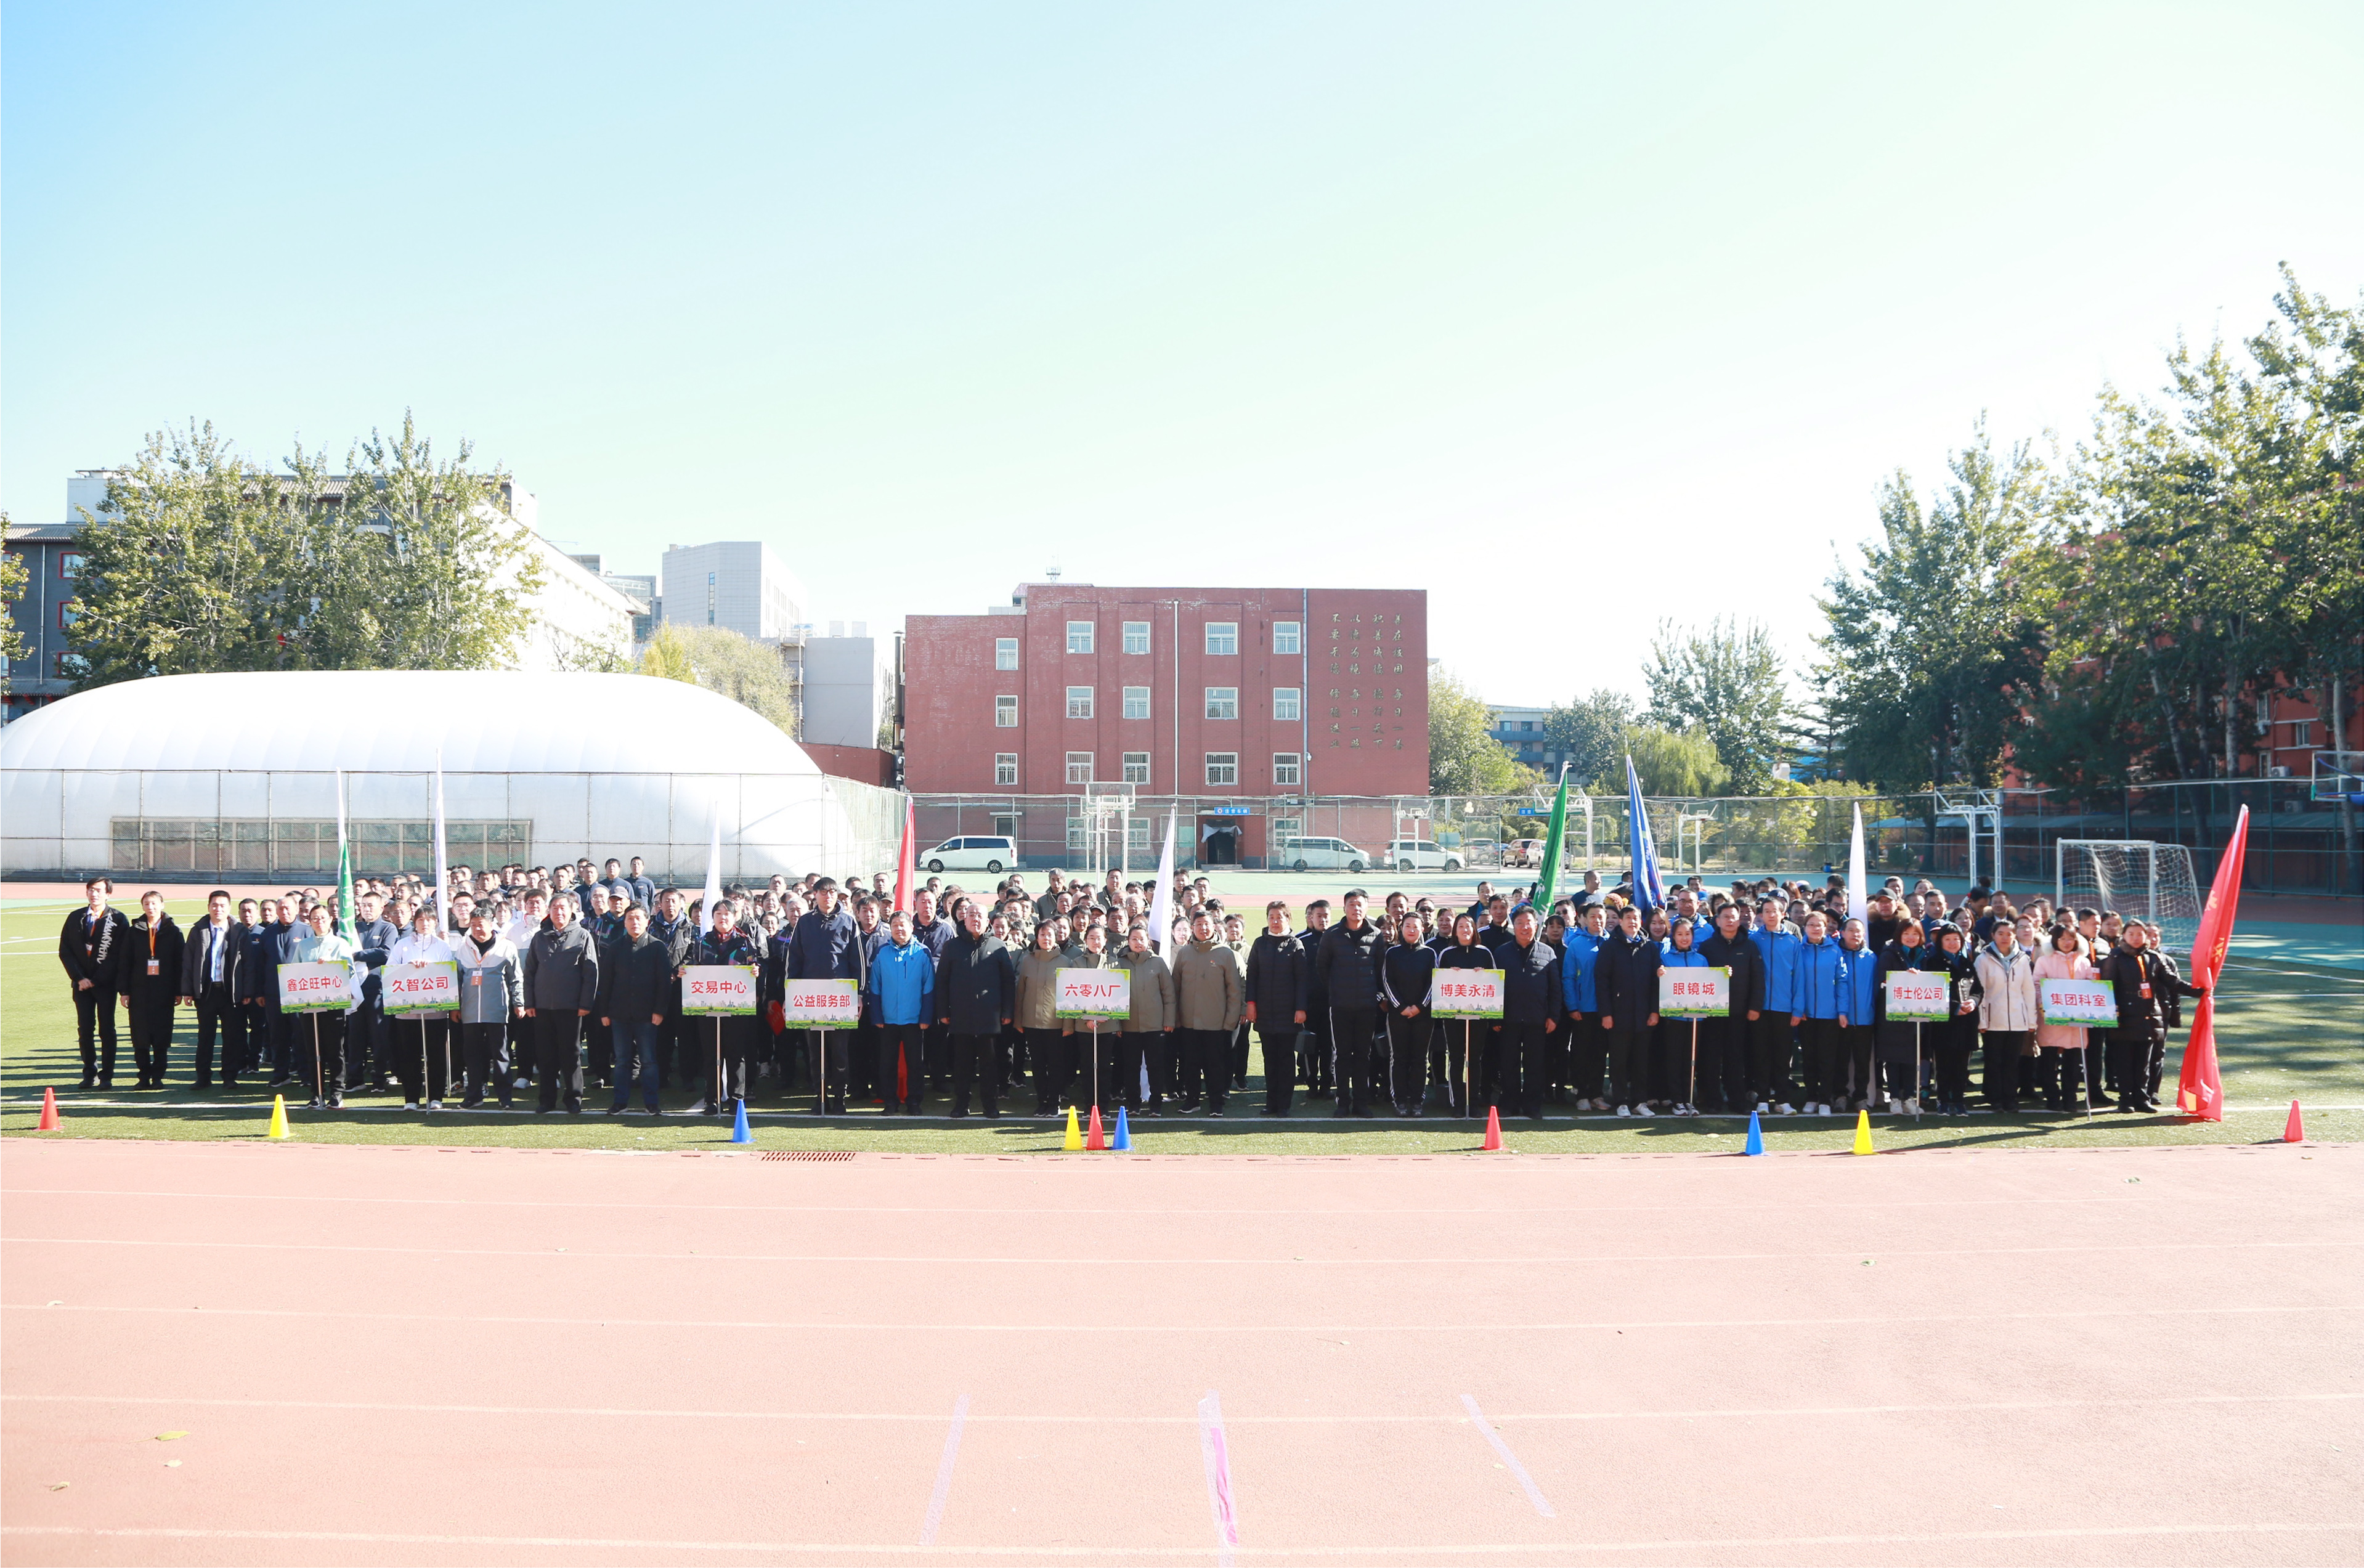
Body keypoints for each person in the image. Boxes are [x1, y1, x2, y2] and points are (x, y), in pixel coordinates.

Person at [2095, 921, 2204, 1113]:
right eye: (2131, 934)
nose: (2136, 938)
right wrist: (2112, 1014)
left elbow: (2172, 981)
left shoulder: (2153, 957)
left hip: (2149, 1016)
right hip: (2124, 1017)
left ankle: (2142, 1099)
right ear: (2124, 935)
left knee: (2143, 1062)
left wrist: (2198, 991)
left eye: (2140, 934)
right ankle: (2126, 1100)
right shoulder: (2116, 957)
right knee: (2124, 1062)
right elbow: (2107, 987)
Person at [782, 878, 859, 1112]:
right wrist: (789, 995)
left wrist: (859, 995)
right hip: (810, 998)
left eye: (832, 892)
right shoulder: (805, 923)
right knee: (816, 1051)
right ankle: (820, 1095)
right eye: (823, 892)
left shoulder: (848, 922)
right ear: (814, 895)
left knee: (840, 1051)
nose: (828, 896)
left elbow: (858, 962)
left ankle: (839, 1097)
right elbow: (794, 961)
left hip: (841, 998)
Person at [521, 893, 600, 1116]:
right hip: (543, 1007)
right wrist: (529, 1002)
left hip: (571, 1007)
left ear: (572, 910)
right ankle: (546, 1100)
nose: (559, 912)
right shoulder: (540, 937)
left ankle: (574, 1099)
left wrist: (586, 1003)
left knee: (571, 1054)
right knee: (545, 1055)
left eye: (563, 908)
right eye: (555, 908)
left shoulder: (582, 935)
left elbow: (591, 973)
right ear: (549, 911)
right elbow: (530, 972)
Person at [934, 902, 1014, 1119]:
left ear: (987, 921)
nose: (975, 919)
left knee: (990, 1065)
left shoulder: (998, 946)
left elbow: (1008, 982)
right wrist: (943, 1011)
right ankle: (961, 1104)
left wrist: (1007, 1012)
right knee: (962, 1065)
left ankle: (990, 1105)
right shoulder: (952, 946)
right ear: (964, 919)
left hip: (990, 1016)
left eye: (979, 915)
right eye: (971, 915)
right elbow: (942, 981)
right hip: (961, 1016)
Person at [686, 900, 762, 1115]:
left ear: (735, 916)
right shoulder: (702, 942)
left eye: (727, 913)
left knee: (736, 1054)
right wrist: (685, 972)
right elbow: (692, 966)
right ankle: (712, 1099)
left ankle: (737, 1099)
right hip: (707, 1005)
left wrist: (756, 971)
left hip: (736, 1006)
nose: (723, 917)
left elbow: (756, 964)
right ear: (713, 917)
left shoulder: (744, 942)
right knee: (711, 1054)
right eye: (718, 913)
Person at [1315, 890, 1386, 1118]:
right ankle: (1343, 1102)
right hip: (1340, 1006)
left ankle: (1361, 1102)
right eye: (1352, 904)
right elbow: (1322, 967)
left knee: (1363, 1055)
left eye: (1360, 904)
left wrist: (1376, 995)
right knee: (1343, 1055)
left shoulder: (1376, 935)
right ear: (1344, 907)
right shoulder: (1332, 935)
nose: (1356, 909)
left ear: (1367, 908)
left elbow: (1381, 970)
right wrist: (1336, 990)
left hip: (1367, 1006)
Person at [597, 903, 672, 1115]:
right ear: (625, 922)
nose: (634, 922)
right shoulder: (615, 947)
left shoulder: (657, 947)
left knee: (648, 1061)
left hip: (648, 1015)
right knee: (622, 1061)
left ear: (647, 921)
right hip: (619, 1014)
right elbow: (607, 981)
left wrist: (660, 1011)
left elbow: (664, 983)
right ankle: (620, 1102)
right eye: (630, 918)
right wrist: (604, 1012)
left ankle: (651, 1103)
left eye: (639, 918)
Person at [286, 903, 361, 1110]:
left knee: (335, 1049)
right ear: (309, 922)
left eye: (323, 918)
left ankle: (337, 1092)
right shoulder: (304, 945)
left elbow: (350, 971)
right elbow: (294, 972)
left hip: (334, 1004)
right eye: (315, 918)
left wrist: (331, 966)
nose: (319, 922)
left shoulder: (340, 944)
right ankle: (316, 1092)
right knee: (313, 1049)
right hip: (309, 1004)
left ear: (331, 920)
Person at [384, 907, 459, 1110]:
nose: (425, 924)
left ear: (435, 923)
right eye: (420, 920)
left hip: (436, 1012)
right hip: (407, 1011)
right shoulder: (402, 945)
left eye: (429, 920)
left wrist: (430, 967)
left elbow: (448, 972)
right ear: (414, 922)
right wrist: (409, 966)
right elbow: (390, 970)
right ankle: (411, 1098)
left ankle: (435, 1097)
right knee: (409, 1055)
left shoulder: (442, 946)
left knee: (436, 1055)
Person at [59, 877, 130, 1091]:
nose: (94, 894)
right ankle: (89, 1073)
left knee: (107, 1029)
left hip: (105, 985)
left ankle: (106, 1075)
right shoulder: (76, 917)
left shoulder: (118, 919)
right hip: (81, 985)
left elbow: (119, 955)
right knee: (85, 1029)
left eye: (98, 890)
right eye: (91, 890)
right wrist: (79, 978)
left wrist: (97, 980)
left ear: (108, 894)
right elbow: (65, 951)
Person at [1697, 903, 1767, 1116]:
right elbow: (1699, 977)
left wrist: (1755, 1007)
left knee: (1736, 1058)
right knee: (1711, 1058)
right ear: (1717, 921)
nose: (1730, 921)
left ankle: (1737, 1100)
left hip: (1739, 1012)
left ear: (1739, 920)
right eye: (1725, 917)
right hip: (1712, 1012)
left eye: (1733, 917)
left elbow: (1758, 979)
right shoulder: (1707, 947)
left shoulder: (1750, 946)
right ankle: (1712, 1100)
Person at [1172, 910, 1245, 1116]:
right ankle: (1192, 1101)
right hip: (1189, 1023)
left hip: (1216, 1023)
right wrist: (1176, 1018)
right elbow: (1175, 987)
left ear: (1214, 927)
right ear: (1193, 928)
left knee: (1215, 1066)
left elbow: (1234, 990)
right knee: (1190, 1064)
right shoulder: (1185, 953)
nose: (1203, 928)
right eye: (1199, 925)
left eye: (1207, 924)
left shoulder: (1225, 954)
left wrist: (1230, 1020)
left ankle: (1216, 1103)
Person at [866, 909, 936, 1115]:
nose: (899, 929)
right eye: (895, 925)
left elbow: (929, 986)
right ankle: (890, 1101)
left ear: (911, 927)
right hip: (888, 1019)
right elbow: (875, 986)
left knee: (915, 1064)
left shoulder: (922, 952)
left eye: (902, 925)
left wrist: (926, 1016)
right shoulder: (882, 953)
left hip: (914, 1019)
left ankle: (914, 1102)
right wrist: (877, 1016)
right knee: (887, 1063)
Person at [1243, 900, 1308, 1118]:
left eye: (1280, 917)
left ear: (1288, 919)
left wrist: (1301, 1008)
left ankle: (1284, 1105)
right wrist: (1251, 1004)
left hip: (1288, 1014)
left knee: (1286, 1060)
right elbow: (1252, 976)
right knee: (1269, 1060)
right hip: (1264, 1014)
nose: (1275, 921)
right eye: (1271, 917)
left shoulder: (1296, 945)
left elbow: (1302, 980)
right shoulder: (1260, 944)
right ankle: (1271, 1103)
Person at [1495, 907, 1561, 1121]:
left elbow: (1555, 989)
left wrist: (1553, 1016)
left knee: (1535, 1065)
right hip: (1509, 1019)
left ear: (1536, 925)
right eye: (1520, 923)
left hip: (1537, 1019)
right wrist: (1495, 1017)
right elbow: (1494, 987)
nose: (1525, 927)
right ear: (1513, 926)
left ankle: (1533, 1106)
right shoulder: (1501, 952)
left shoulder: (1547, 952)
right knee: (1508, 1064)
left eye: (1529, 923)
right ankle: (1509, 1104)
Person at [115, 890, 185, 1092]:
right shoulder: (134, 932)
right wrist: (124, 991)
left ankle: (158, 1077)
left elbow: (180, 963)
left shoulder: (173, 932)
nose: (151, 907)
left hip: (164, 992)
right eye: (147, 904)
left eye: (154, 903)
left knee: (162, 1036)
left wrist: (179, 990)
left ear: (162, 905)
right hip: (139, 992)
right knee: (141, 1037)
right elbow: (125, 962)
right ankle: (144, 1076)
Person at [177, 889, 246, 1091]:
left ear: (229, 908)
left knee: (231, 1036)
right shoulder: (198, 930)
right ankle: (203, 1077)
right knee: (205, 1036)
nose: (218, 909)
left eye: (223, 905)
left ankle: (229, 1076)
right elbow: (188, 962)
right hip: (206, 991)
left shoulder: (239, 931)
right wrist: (188, 990)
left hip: (230, 992)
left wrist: (247, 992)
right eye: (214, 905)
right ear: (208, 907)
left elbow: (248, 963)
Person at [1595, 903, 1659, 1116]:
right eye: (1628, 918)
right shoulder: (1610, 947)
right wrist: (1606, 1013)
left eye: (1636, 918)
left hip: (1644, 1015)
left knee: (1641, 1061)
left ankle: (1640, 1102)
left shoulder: (1649, 948)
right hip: (1618, 1015)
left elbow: (1656, 983)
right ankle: (1621, 1101)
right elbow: (1602, 981)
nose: (1633, 922)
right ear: (1620, 921)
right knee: (1619, 1061)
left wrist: (1654, 1011)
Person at [1972, 919, 2037, 1115]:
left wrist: (2031, 1020)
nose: (2005, 938)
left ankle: (2010, 1098)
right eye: (2001, 933)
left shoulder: (2023, 960)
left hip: (2017, 1020)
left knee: (2012, 1062)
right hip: (1993, 1020)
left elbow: (2028, 991)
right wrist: (1982, 1020)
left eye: (2009, 934)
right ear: (1993, 935)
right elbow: (1980, 992)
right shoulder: (1983, 959)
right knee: (1994, 1061)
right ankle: (1994, 1098)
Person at [1870, 919, 1933, 1113]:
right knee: (1893, 1059)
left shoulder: (1926, 955)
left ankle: (1909, 1098)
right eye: (1906, 934)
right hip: (1893, 1017)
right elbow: (1883, 980)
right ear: (1899, 935)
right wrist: (1906, 977)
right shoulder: (1889, 954)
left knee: (1912, 1059)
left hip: (1917, 1017)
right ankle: (1895, 1098)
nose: (1911, 938)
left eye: (1915, 934)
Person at [1748, 898, 1804, 1114]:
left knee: (1782, 1056)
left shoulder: (1792, 942)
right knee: (1760, 1055)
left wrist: (1797, 1009)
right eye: (1767, 911)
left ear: (1783, 914)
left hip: (1784, 1008)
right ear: (1761, 915)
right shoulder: (1754, 940)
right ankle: (1762, 1099)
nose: (1771, 915)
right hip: (1759, 1008)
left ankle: (1782, 1100)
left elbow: (1799, 978)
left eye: (1775, 911)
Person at [2032, 925, 2096, 1113]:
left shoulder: (2084, 962)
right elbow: (2037, 985)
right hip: (2051, 1018)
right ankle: (2052, 1097)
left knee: (2073, 1062)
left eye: (2070, 938)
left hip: (2077, 1020)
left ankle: (2070, 1098)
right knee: (2048, 1060)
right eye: (2062, 939)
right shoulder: (2044, 961)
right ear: (2055, 941)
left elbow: (2091, 987)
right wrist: (2043, 1004)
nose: (2067, 942)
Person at [1115, 922, 1176, 1116]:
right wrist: (1117, 1023)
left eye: (1142, 939)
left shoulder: (1158, 963)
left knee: (1155, 1066)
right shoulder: (1120, 963)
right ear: (1128, 941)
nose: (1138, 942)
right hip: (1129, 1026)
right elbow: (1114, 997)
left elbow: (1169, 994)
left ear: (1148, 941)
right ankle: (1134, 1103)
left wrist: (1169, 1020)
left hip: (1155, 1025)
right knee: (1131, 1067)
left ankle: (1155, 1103)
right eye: (1134, 939)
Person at [1380, 912, 1437, 1116]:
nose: (1412, 930)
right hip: (1398, 1015)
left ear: (1422, 929)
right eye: (1407, 926)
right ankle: (1400, 1100)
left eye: (1415, 926)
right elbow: (1387, 981)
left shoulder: (1429, 954)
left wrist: (1420, 1006)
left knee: (1420, 1058)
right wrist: (1402, 1007)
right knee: (1399, 1058)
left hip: (1424, 1015)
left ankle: (1417, 1100)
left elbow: (1434, 982)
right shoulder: (1392, 953)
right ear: (1401, 928)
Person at [1013, 922, 1070, 1116]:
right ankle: (1042, 1100)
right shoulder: (1027, 961)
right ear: (1036, 937)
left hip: (1056, 1023)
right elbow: (1021, 992)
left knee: (1056, 1064)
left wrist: (1068, 1024)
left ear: (1056, 937)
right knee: (1037, 1065)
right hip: (1032, 1022)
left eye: (1050, 934)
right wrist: (1019, 1020)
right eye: (1042, 935)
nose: (1046, 938)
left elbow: (1069, 997)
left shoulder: (1065, 962)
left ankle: (1054, 1101)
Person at [1927, 922, 1983, 1115]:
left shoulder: (1967, 962)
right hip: (1944, 1023)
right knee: (1943, 1064)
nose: (1952, 943)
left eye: (1956, 939)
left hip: (1967, 1022)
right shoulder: (1933, 962)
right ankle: (1943, 1100)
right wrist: (1954, 1007)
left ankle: (1959, 1100)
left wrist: (1973, 1002)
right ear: (1941, 941)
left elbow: (1978, 990)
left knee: (1962, 1065)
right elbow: (1932, 992)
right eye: (1948, 939)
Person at [1657, 914, 1710, 1116]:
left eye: (1688, 934)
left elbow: (1709, 986)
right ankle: (1676, 1100)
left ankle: (1689, 1099)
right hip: (1674, 1018)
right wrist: (1659, 975)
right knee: (1674, 1059)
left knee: (1691, 1059)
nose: (1684, 938)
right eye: (1680, 934)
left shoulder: (1701, 960)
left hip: (1696, 1018)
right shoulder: (1666, 959)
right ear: (1673, 937)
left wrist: (1724, 975)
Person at [1793, 910, 1845, 1116]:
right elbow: (1796, 981)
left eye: (1819, 925)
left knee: (1827, 1059)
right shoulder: (1799, 949)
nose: (1815, 928)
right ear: (1805, 928)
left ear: (1826, 927)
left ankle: (1825, 1099)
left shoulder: (1835, 951)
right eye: (1811, 925)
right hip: (1806, 1015)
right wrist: (1799, 1008)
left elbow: (1842, 981)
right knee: (1809, 1058)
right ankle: (1812, 1097)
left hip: (1829, 1015)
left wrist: (1842, 1010)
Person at [1296, 898, 1334, 1098]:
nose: (1323, 919)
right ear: (1311, 917)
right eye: (1319, 916)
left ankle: (1327, 1085)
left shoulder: (1337, 939)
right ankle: (1311, 1084)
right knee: (1310, 1046)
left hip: (1332, 1004)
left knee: (1329, 1047)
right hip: (1309, 1005)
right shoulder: (1301, 941)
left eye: (1326, 916)